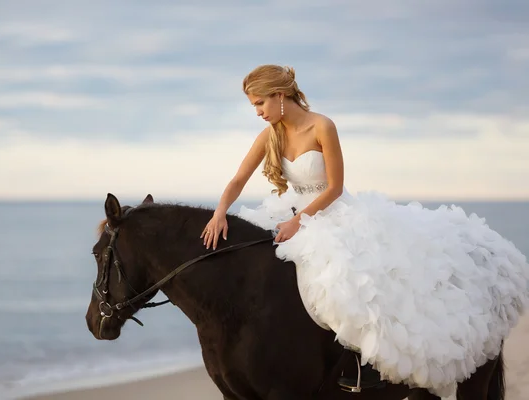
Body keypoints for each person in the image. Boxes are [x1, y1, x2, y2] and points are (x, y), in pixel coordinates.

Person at [200, 64, 529, 397]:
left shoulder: (322, 126)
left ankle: (364, 366)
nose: (257, 112)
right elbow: (238, 179)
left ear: (280, 95)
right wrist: (220, 212)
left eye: (260, 103)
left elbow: (335, 188)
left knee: (350, 281)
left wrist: (299, 222)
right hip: (288, 211)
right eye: (253, 105)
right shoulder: (270, 135)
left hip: (330, 213)